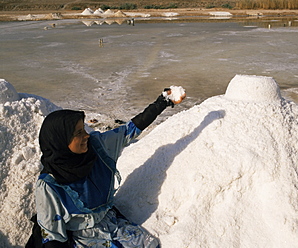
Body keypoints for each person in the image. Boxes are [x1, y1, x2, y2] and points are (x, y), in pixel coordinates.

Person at [26, 88, 185, 248]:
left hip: (108, 221)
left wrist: (163, 101)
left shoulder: (97, 148)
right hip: (80, 236)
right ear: (61, 141)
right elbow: (53, 237)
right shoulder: (49, 186)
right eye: (79, 133)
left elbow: (130, 129)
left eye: (84, 129)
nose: (86, 135)